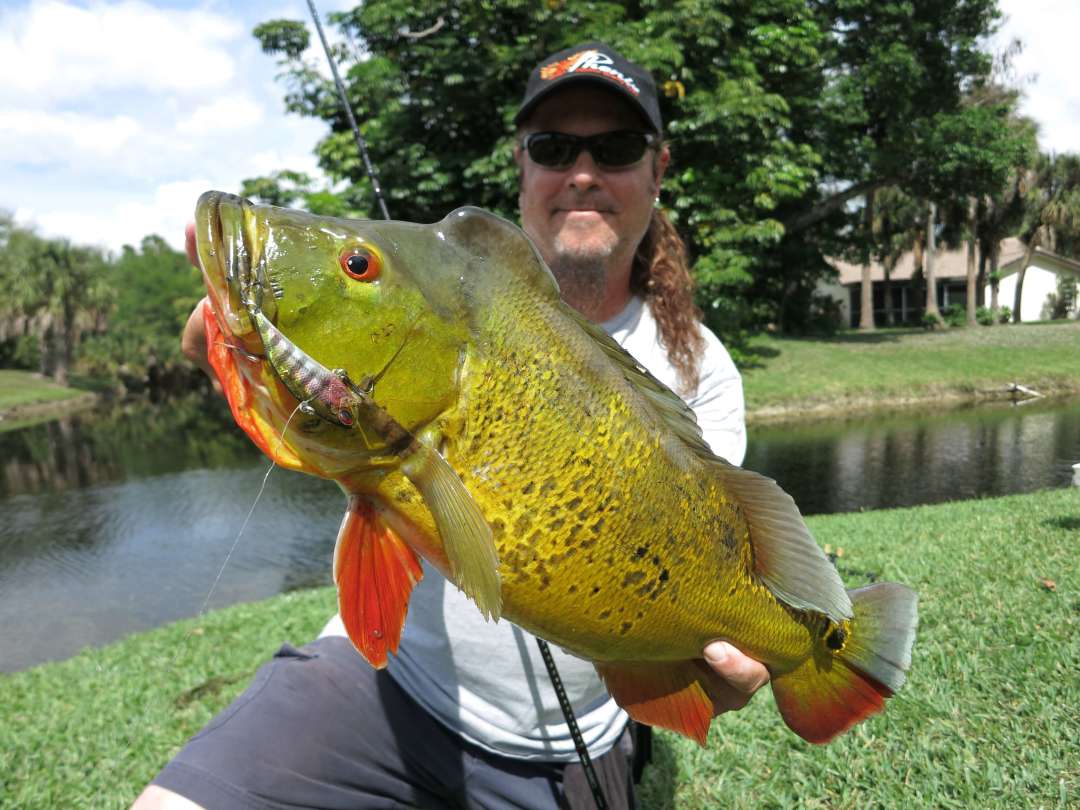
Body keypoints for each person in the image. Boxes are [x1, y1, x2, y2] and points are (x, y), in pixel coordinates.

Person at [134, 42, 769, 810]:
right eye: (553, 147)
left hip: (561, 742)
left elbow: (713, 555)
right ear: (522, 164)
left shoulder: (702, 370)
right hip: (390, 686)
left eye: (616, 147)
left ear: (658, 168)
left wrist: (705, 665)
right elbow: (359, 464)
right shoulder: (439, 293)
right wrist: (267, 383)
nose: (582, 173)